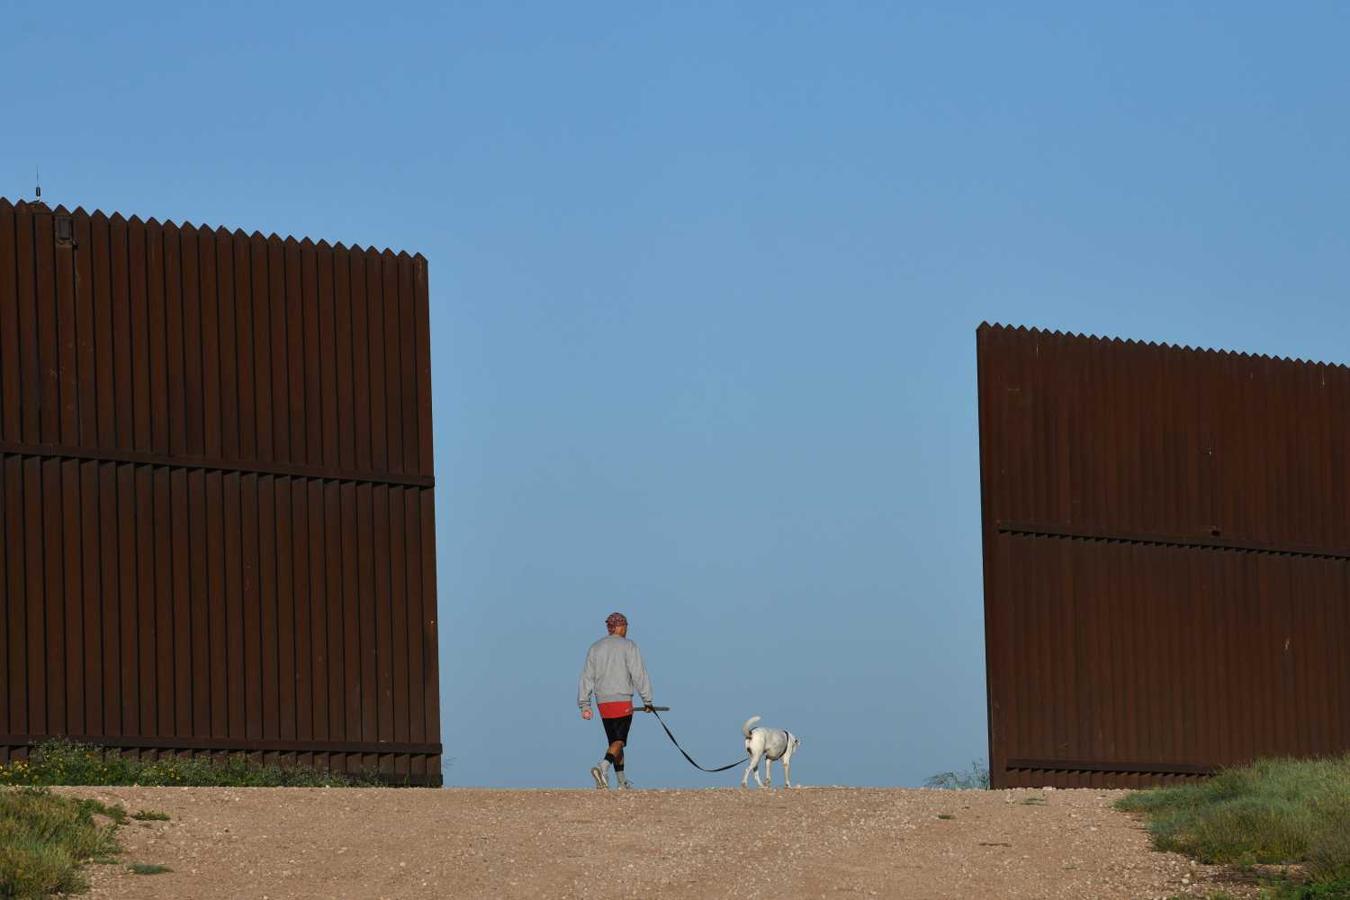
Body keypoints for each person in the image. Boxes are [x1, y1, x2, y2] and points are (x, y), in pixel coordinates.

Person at [577, 611, 654, 789]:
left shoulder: (595, 647)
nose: (627, 629)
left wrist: (584, 704)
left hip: (602, 701)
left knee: (615, 742)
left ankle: (621, 782)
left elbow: (586, 677)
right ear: (620, 627)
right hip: (621, 699)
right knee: (620, 741)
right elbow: (639, 674)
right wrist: (647, 700)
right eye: (626, 626)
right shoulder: (629, 646)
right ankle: (602, 767)